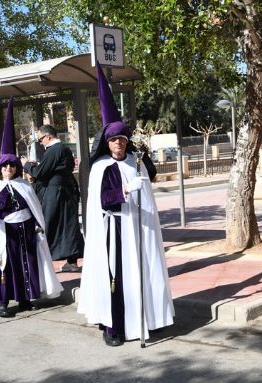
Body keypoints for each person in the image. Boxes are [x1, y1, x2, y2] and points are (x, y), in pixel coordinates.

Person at [77, 60, 174, 346]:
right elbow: (104, 201)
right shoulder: (101, 168)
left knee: (141, 272)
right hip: (115, 231)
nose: (118, 144)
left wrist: (143, 169)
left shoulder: (137, 161)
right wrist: (125, 191)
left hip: (139, 229)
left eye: (122, 139)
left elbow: (151, 180)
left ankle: (146, 319)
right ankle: (114, 327)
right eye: (114, 140)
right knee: (116, 277)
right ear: (107, 143)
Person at [0, 97, 62, 317]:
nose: (9, 169)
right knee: (5, 266)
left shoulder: (24, 185)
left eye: (12, 166)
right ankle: (2, 301)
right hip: (5, 232)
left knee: (26, 263)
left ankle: (25, 298)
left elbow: (34, 208)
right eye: (5, 166)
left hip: (25, 231)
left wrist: (38, 227)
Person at [21, 125, 84, 272]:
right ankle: (72, 261)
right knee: (68, 226)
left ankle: (44, 262)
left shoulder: (54, 150)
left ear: (48, 137)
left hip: (55, 194)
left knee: (48, 225)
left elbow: (40, 173)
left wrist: (27, 166)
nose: (40, 142)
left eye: (41, 139)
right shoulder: (62, 149)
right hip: (65, 193)